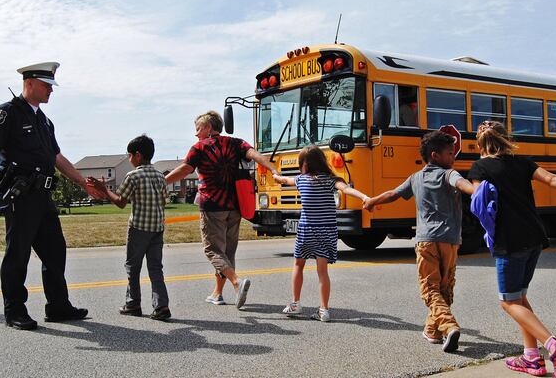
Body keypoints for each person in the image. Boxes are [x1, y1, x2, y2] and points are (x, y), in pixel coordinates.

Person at [467, 120, 556, 378]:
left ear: (479, 144)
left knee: (508, 302)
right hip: (534, 237)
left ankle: (555, 345)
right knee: (520, 297)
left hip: (509, 240)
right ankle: (531, 358)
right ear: (506, 139)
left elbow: (479, 202)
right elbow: (551, 179)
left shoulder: (479, 167)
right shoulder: (522, 163)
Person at [0, 61, 101, 330]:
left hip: (43, 197)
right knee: (18, 254)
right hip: (20, 195)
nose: (51, 91)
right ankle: (14, 310)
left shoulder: (45, 121)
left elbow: (56, 157)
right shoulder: (7, 112)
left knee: (55, 251)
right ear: (30, 83)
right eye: (47, 85)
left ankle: (58, 306)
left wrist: (82, 182)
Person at [364, 130, 475, 353]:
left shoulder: (416, 178)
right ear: (435, 155)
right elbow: (462, 183)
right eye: (450, 153)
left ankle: (448, 326)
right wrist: (476, 191)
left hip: (426, 241)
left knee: (430, 289)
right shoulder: (449, 174)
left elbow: (392, 194)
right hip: (451, 242)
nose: (453, 157)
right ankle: (433, 331)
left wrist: (372, 201)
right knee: (444, 288)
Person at [165, 110, 278, 309]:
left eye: (198, 128)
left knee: (212, 250)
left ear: (209, 127)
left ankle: (237, 282)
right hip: (235, 206)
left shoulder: (199, 147)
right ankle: (218, 293)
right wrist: (272, 169)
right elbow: (253, 154)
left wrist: (162, 181)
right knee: (227, 251)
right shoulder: (236, 143)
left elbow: (185, 169)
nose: (196, 133)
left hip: (212, 206)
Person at [273, 146, 369, 322]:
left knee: (298, 265)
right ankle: (324, 310)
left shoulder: (301, 179)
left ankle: (295, 303)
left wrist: (276, 177)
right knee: (322, 272)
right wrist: (364, 197)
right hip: (326, 231)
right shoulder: (331, 180)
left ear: (305, 164)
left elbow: (284, 180)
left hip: (307, 230)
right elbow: (346, 190)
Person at [87, 135, 171, 321]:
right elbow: (164, 201)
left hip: (139, 228)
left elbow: (120, 202)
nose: (129, 159)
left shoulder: (133, 176)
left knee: (133, 267)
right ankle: (161, 306)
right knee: (156, 267)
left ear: (138, 155)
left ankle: (133, 303)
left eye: (130, 155)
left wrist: (103, 189)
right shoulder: (160, 176)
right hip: (157, 227)